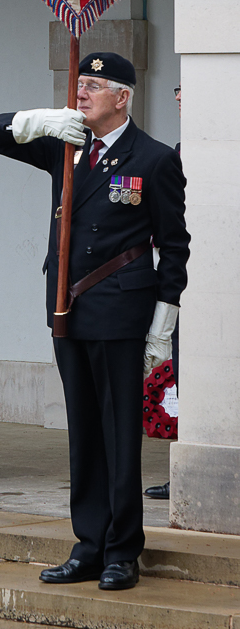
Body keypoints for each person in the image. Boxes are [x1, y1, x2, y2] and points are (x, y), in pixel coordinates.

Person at [0, 53, 189, 591]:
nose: (83, 92)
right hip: (67, 308)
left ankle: (122, 551)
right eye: (80, 83)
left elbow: (174, 246)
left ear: (123, 97)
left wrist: (163, 322)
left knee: (120, 434)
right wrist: (38, 121)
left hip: (121, 309)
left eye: (95, 85)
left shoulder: (155, 158)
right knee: (83, 433)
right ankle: (89, 544)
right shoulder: (66, 144)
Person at [145, 81, 182, 501]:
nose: (177, 96)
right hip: (184, 276)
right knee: (183, 378)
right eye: (176, 87)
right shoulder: (178, 149)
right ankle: (184, 468)